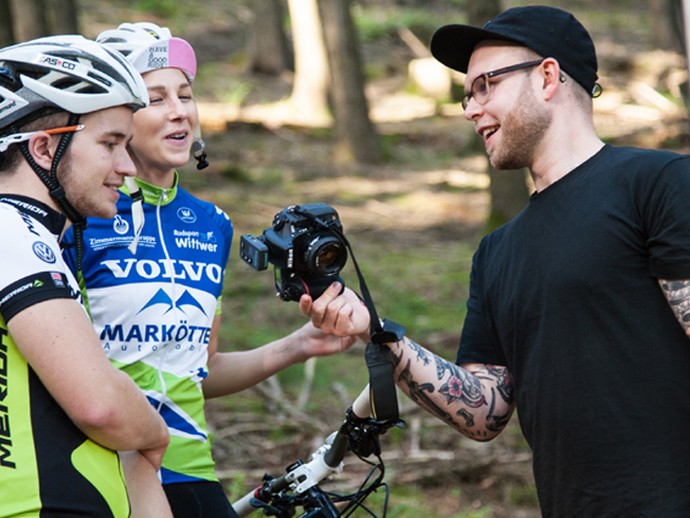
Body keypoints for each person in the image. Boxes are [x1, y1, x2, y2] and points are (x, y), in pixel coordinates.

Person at [302, 5, 690, 517]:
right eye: (467, 94)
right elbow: (484, 411)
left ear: (548, 76)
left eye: (486, 84)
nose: (470, 108)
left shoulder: (659, 183)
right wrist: (374, 333)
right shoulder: (496, 251)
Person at [62, 22, 364, 518]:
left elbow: (197, 370)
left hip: (190, 467)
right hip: (95, 468)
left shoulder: (211, 225)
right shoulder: (78, 219)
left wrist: (298, 345)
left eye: (185, 94)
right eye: (156, 98)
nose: (180, 110)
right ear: (117, 117)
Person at [0, 35, 171, 517]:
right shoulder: (10, 230)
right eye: (111, 144)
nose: (127, 167)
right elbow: (100, 405)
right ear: (42, 148)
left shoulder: (29, 235)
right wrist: (153, 429)